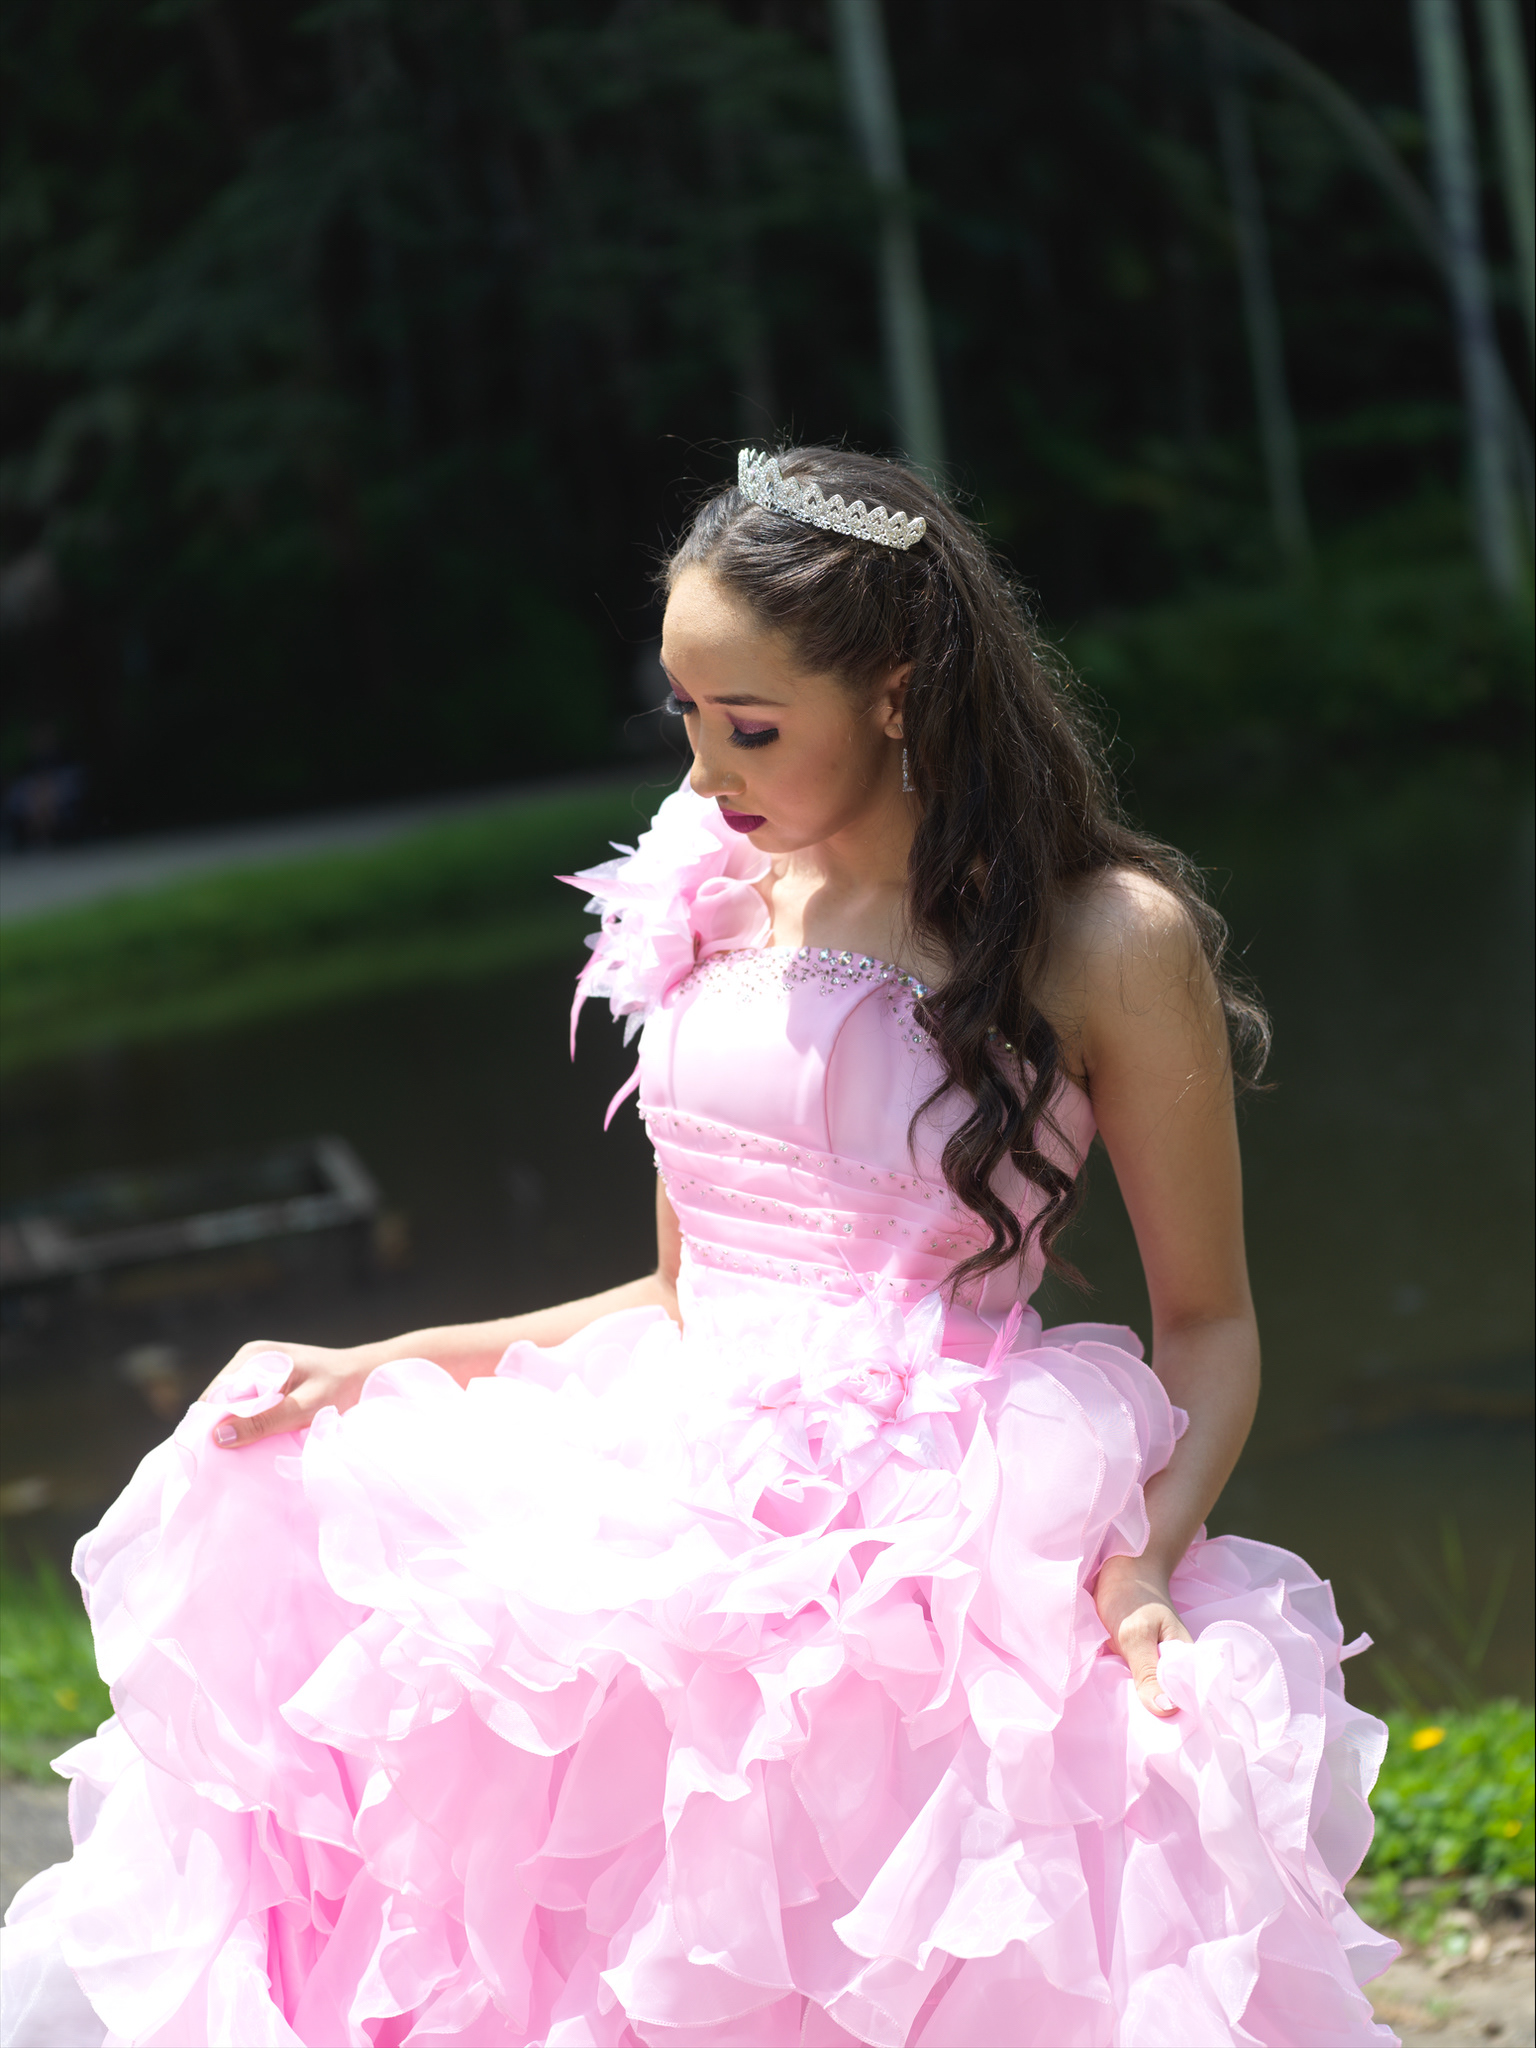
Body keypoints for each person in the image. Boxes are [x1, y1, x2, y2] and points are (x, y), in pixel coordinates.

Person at [0, 447, 1398, 2047]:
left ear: (895, 691)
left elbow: (1210, 1324)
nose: (705, 767)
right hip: (673, 1474)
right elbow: (680, 1294)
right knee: (398, 1651)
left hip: (945, 1518)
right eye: (683, 713)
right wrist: (382, 1361)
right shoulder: (708, 894)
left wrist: (1143, 1556)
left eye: (750, 724)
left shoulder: (1102, 939)